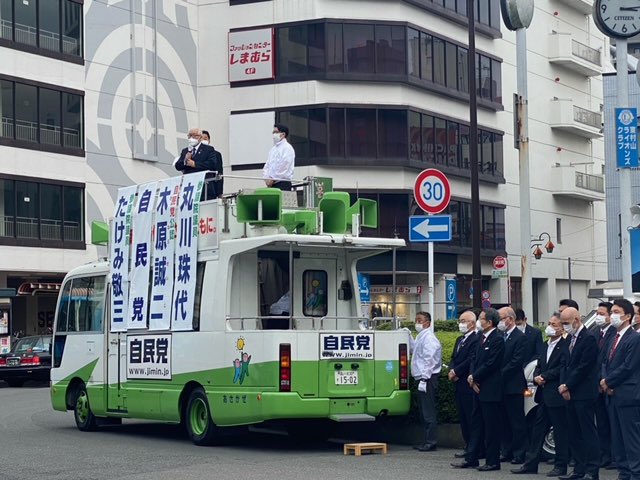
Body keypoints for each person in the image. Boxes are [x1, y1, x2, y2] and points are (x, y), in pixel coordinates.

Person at [511, 312, 569, 477]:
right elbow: (539, 364)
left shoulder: (565, 346)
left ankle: (561, 465)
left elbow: (562, 367)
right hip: (543, 395)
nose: (550, 327)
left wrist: (545, 376)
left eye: (554, 324)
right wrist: (537, 375)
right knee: (538, 430)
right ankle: (531, 463)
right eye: (549, 323)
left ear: (562, 328)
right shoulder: (545, 345)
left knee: (560, 432)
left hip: (556, 395)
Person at [453, 308, 505, 472]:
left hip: (490, 389)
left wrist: (475, 377)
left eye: (481, 318)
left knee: (491, 427)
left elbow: (491, 364)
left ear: (489, 322)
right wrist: (472, 377)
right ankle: (471, 458)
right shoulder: (481, 338)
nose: (478, 321)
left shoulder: (497, 339)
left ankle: (492, 461)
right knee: (475, 425)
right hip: (477, 388)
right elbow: (474, 359)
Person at [600, 299, 640, 480]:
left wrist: (609, 381)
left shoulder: (634, 338)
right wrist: (605, 381)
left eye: (616, 312)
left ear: (628, 316)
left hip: (628, 395)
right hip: (612, 396)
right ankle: (623, 473)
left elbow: (628, 366)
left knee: (631, 439)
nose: (612, 315)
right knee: (618, 439)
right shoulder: (613, 337)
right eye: (612, 312)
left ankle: (635, 473)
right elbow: (605, 362)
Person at [558, 307, 600, 480]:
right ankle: (578, 469)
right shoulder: (569, 338)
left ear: (576, 319)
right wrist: (563, 385)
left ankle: (592, 470)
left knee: (587, 432)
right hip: (569, 392)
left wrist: (568, 385)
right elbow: (564, 363)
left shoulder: (588, 338)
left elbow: (584, 366)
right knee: (574, 433)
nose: (564, 326)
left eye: (566, 323)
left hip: (584, 392)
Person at [498, 307, 528, 465]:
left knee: (517, 421)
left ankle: (519, 452)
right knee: (503, 420)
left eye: (501, 318)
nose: (499, 322)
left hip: (513, 385)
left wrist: (499, 374)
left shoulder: (520, 337)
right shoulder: (500, 336)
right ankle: (506, 450)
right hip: (500, 386)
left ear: (510, 319)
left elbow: (516, 361)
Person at [448, 310, 480, 459]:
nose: (460, 324)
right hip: (458, 383)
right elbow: (453, 358)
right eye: (460, 321)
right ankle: (468, 445)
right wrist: (451, 370)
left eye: (463, 321)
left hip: (467, 382)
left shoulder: (476, 339)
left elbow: (470, 360)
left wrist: (457, 371)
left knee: (471, 417)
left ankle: (474, 448)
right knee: (463, 417)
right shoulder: (459, 339)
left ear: (472, 323)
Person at [410, 312, 442, 452]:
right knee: (423, 411)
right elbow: (414, 351)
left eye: (420, 320)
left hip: (427, 379)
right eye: (416, 320)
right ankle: (426, 440)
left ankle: (431, 441)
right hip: (421, 378)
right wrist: (408, 336)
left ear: (427, 323)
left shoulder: (429, 338)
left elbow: (430, 360)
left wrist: (424, 378)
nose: (417, 323)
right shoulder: (421, 336)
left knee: (428, 411)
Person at [592, 302, 615, 469]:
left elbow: (607, 360)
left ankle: (613, 456)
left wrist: (604, 380)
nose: (598, 317)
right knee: (601, 422)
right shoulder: (595, 332)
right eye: (597, 313)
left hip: (608, 384)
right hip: (596, 385)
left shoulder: (614, 333)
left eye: (602, 314)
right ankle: (604, 454)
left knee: (612, 422)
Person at [175, 127, 223, 199]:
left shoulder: (208, 149)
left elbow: (212, 164)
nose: (192, 138)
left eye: (194, 136)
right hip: (189, 188)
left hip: (205, 187)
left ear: (200, 137)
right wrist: (185, 161)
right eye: (190, 136)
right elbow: (177, 166)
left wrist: (195, 164)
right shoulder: (185, 151)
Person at [263, 124, 295, 191]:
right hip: (271, 184)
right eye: (273, 132)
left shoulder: (287, 148)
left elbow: (284, 166)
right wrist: (266, 178)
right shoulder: (273, 149)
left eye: (276, 132)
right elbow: (267, 165)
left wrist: (273, 179)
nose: (274, 134)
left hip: (282, 183)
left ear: (283, 134)